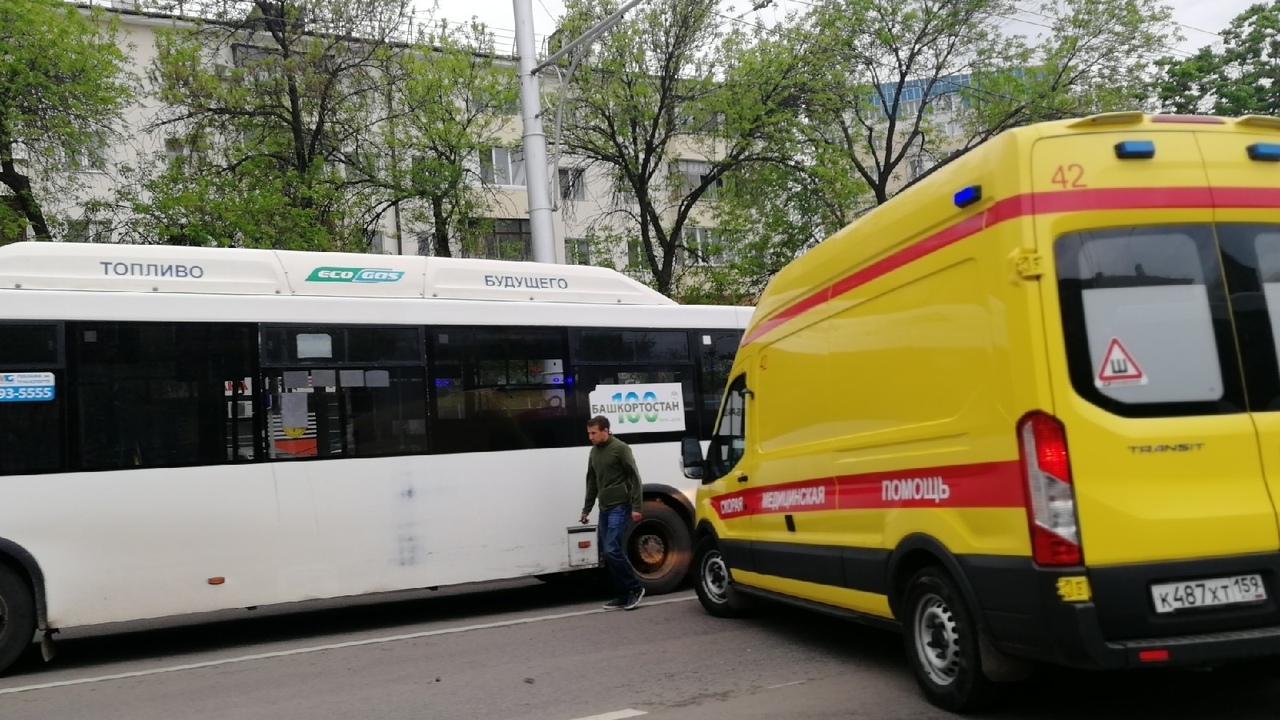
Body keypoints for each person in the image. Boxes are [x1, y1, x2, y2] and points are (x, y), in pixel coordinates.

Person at [580, 415, 645, 610]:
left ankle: (635, 588)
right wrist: (586, 509)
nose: (590, 437)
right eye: (589, 433)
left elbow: (635, 477)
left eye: (594, 433)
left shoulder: (620, 448)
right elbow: (592, 481)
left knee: (612, 549)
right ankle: (622, 595)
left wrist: (636, 507)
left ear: (605, 431)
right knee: (608, 552)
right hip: (605, 508)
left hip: (620, 505)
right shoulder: (594, 452)